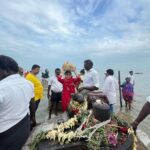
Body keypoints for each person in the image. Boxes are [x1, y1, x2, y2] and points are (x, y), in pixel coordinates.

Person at [0, 55, 34, 150]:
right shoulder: (28, 83)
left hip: (5, 134)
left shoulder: (2, 87)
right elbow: (32, 103)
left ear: (5, 70)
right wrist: (33, 119)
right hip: (24, 125)